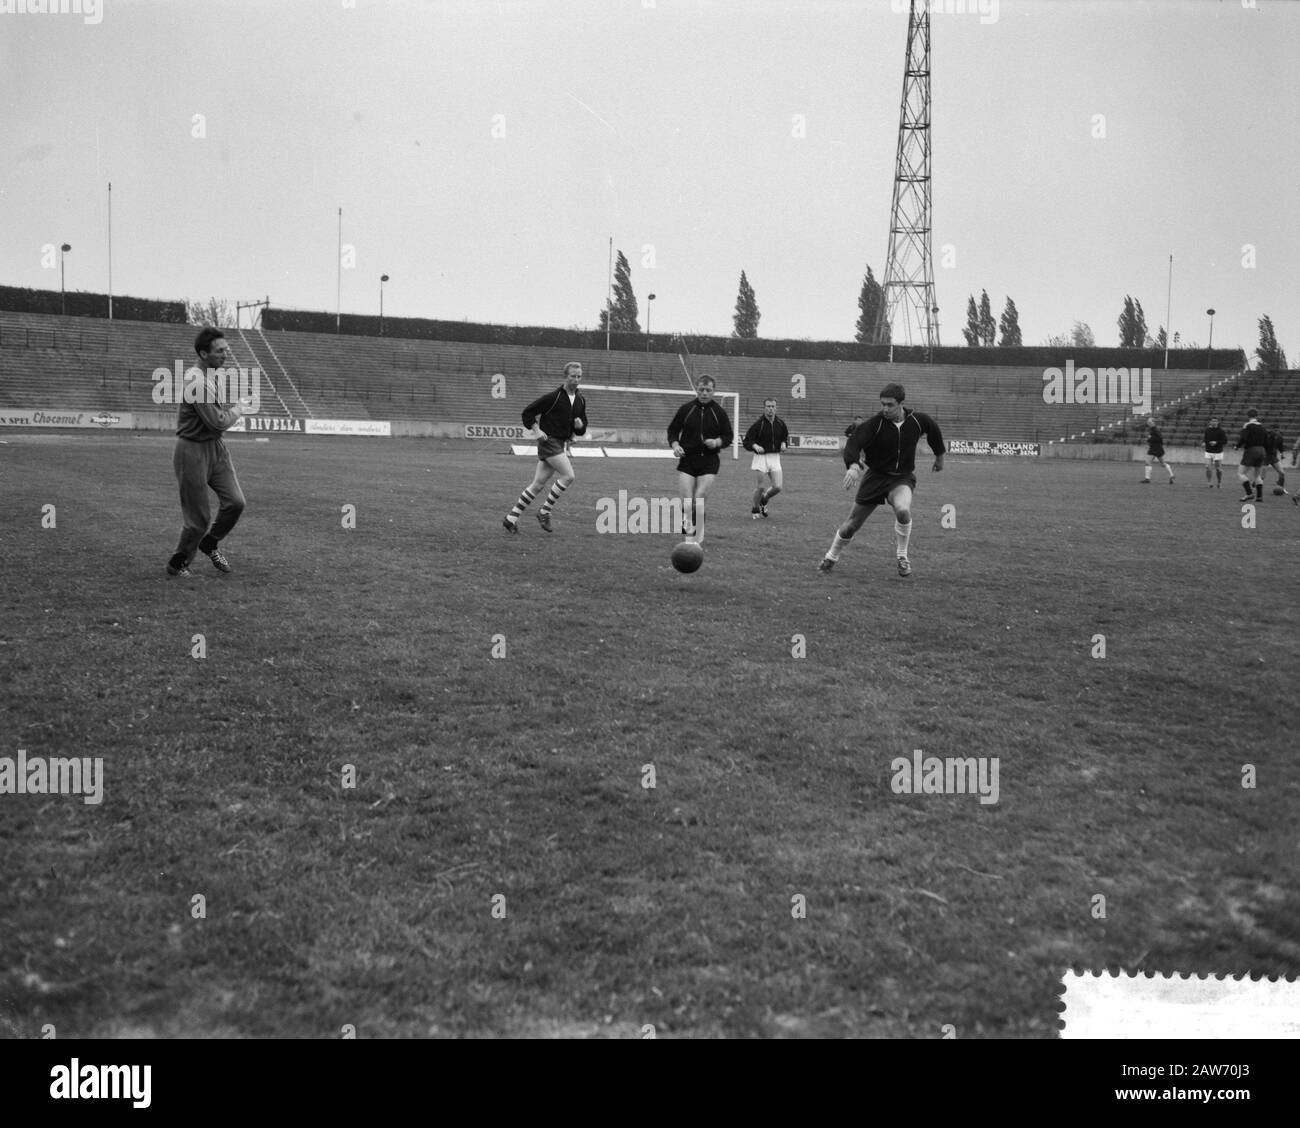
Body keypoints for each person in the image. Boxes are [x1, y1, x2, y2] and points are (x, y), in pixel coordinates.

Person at [818, 383, 945, 578]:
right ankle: (831, 557)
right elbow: (854, 442)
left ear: (901, 403)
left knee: (903, 511)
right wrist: (853, 465)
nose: (885, 408)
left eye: (890, 405)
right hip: (875, 478)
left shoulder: (918, 421)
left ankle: (902, 556)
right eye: (882, 404)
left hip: (901, 478)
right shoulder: (874, 424)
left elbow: (933, 431)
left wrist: (939, 457)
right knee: (851, 525)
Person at [165, 327, 254, 577]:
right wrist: (238, 409)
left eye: (227, 349)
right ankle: (178, 562)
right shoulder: (197, 381)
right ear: (204, 353)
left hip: (215, 448)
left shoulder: (210, 374)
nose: (226, 355)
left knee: (236, 502)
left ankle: (210, 542)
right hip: (192, 450)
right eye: (220, 351)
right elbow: (218, 421)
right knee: (199, 519)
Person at [503, 362, 588, 533]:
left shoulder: (580, 400)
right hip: (549, 442)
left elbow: (582, 428)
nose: (576, 379)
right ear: (566, 376)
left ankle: (510, 519)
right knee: (568, 476)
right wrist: (536, 430)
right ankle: (545, 511)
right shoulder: (553, 397)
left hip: (560, 444)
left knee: (538, 484)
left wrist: (579, 427)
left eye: (579, 376)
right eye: (573, 376)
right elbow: (527, 413)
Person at [667, 373, 733, 544]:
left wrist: (717, 442)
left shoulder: (719, 413)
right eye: (701, 389)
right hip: (688, 460)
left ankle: (697, 537)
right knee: (688, 503)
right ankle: (688, 527)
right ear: (696, 389)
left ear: (714, 391)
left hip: (709, 461)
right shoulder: (686, 409)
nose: (704, 393)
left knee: (700, 496)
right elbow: (672, 430)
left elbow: (728, 436)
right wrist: (675, 445)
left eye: (708, 390)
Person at [742, 397, 789, 518]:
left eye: (773, 406)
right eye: (768, 406)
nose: (770, 409)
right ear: (764, 408)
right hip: (761, 458)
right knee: (761, 487)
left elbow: (785, 437)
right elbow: (747, 441)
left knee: (778, 487)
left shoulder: (780, 423)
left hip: (775, 457)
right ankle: (755, 508)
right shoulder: (759, 424)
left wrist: (784, 443)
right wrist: (755, 446)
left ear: (776, 408)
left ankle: (764, 500)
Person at [1235, 409, 1268, 503]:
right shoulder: (1262, 427)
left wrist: (1237, 446)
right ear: (1257, 416)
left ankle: (1249, 493)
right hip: (1262, 450)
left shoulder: (1247, 425)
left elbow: (1243, 438)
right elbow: (1266, 440)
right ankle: (1259, 497)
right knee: (1257, 475)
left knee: (1241, 473)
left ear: (1248, 416)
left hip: (1252, 450)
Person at [1140, 416, 1174, 484]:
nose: (1148, 423)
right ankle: (1171, 475)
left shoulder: (1155, 429)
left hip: (1155, 448)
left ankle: (1147, 479)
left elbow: (1160, 438)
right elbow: (1156, 438)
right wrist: (1149, 440)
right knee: (1162, 464)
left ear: (1153, 422)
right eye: (1148, 422)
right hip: (1156, 448)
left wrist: (1150, 439)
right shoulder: (1152, 429)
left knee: (1148, 462)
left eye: (1149, 422)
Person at [1261, 426, 1288, 494]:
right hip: (1265, 457)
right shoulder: (1266, 436)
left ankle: (1281, 487)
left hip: (1273, 457)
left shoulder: (1280, 437)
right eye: (1275, 430)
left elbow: (1280, 447)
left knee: (1282, 473)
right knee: (1262, 476)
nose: (1276, 432)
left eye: (1277, 430)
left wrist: (1282, 454)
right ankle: (1254, 486)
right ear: (1272, 430)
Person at [1202, 416, 1228, 488]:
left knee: (1218, 469)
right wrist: (1204, 442)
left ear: (1217, 422)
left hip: (1218, 452)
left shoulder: (1221, 431)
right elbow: (1205, 439)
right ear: (1210, 422)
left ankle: (1219, 482)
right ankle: (1209, 482)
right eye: (1212, 421)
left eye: (1215, 421)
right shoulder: (1207, 430)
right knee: (1207, 467)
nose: (1213, 422)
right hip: (1208, 451)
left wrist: (1216, 442)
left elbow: (1225, 441)